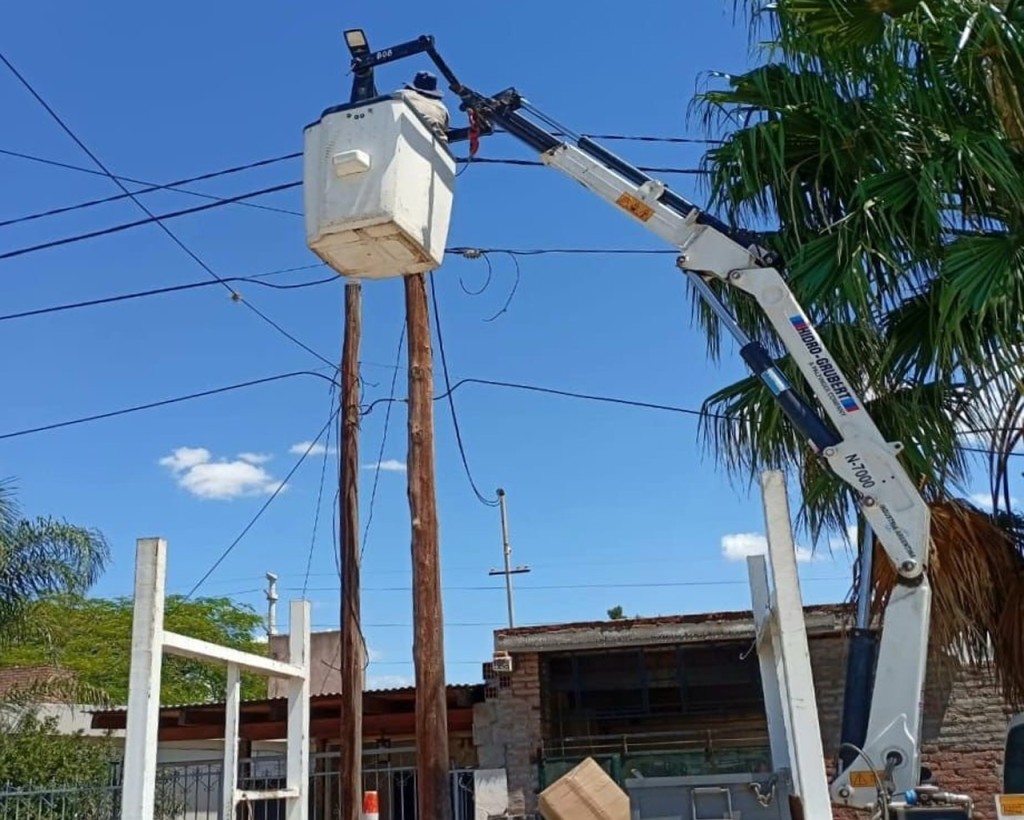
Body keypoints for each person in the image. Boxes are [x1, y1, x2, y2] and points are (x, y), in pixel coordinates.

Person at [399, 71, 449, 139]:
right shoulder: (442, 108)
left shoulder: (402, 94)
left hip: (404, 133)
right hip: (434, 141)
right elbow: (445, 129)